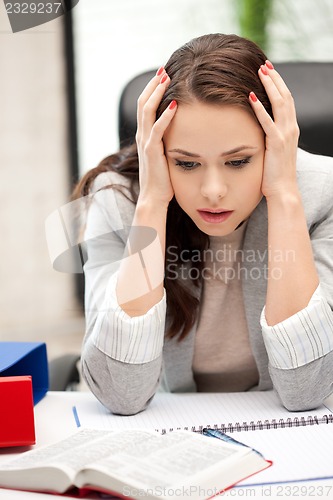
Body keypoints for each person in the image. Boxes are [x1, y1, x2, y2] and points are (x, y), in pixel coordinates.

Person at [74, 33, 333, 415]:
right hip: (166, 436)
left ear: (275, 142)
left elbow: (307, 391)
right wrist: (151, 204)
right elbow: (120, 395)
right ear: (158, 150)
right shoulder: (117, 200)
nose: (213, 191)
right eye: (187, 163)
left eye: (238, 161)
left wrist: (284, 196)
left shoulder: (322, 193)